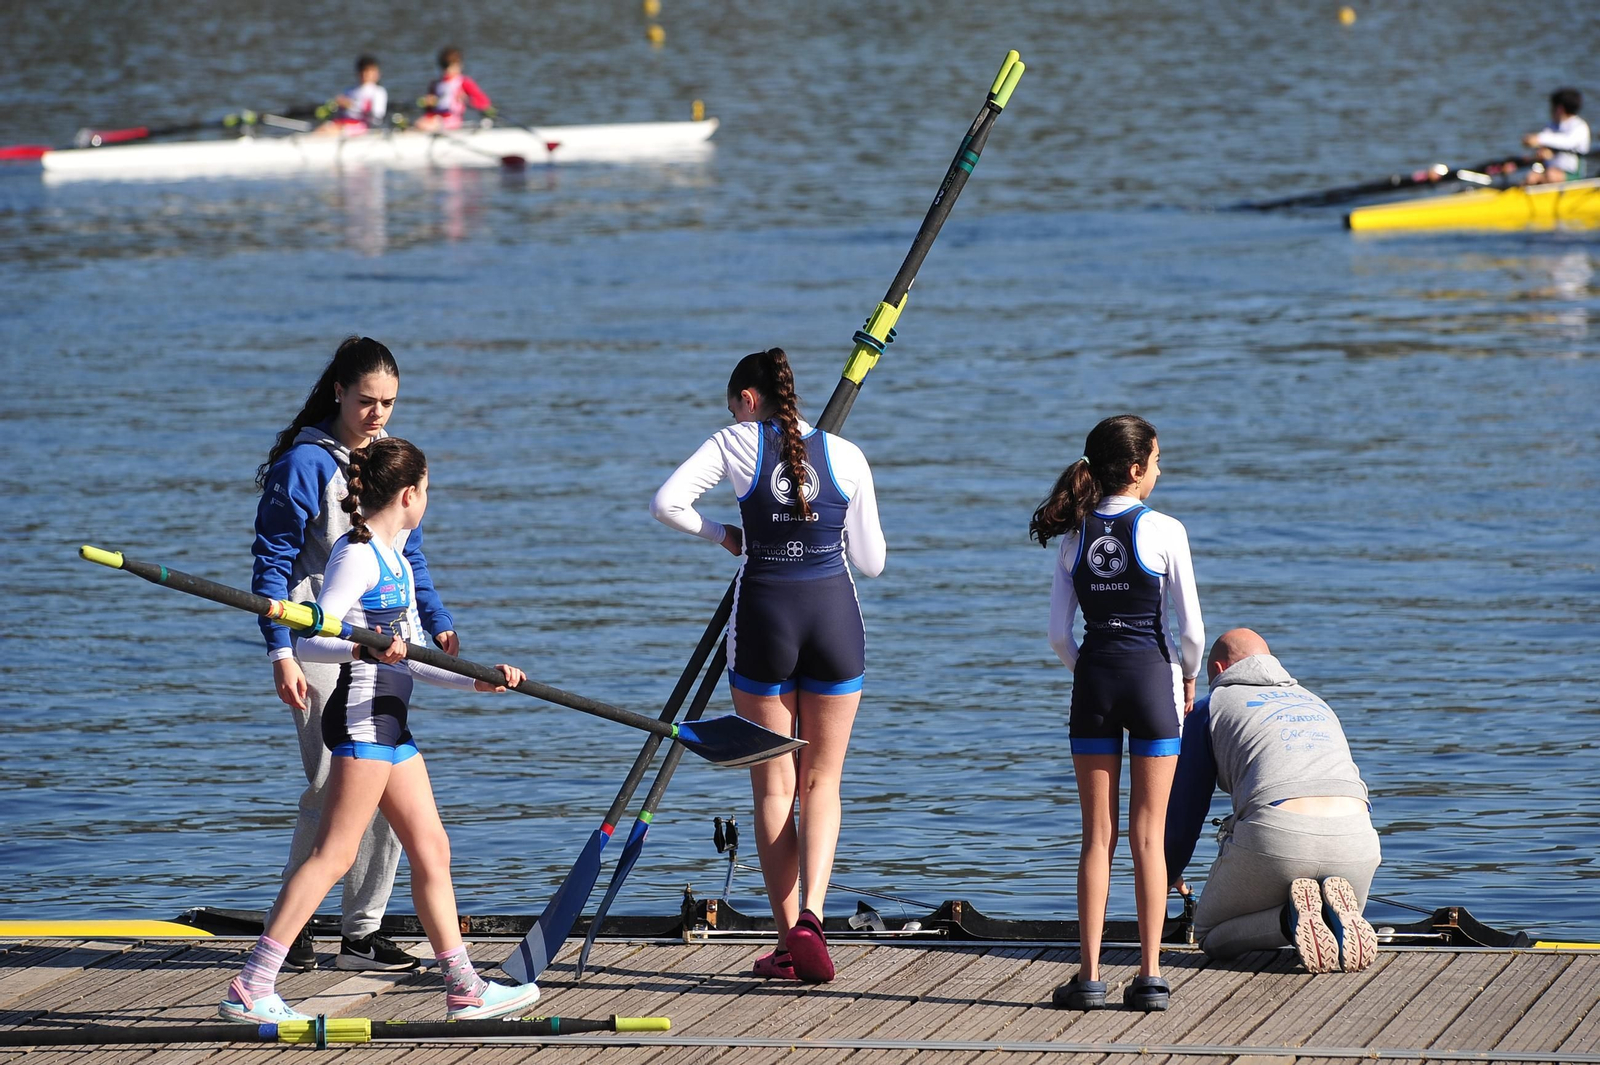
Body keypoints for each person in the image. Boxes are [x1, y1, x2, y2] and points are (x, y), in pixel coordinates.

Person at [222, 438, 539, 1024]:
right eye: (429, 489)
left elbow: (412, 658)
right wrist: (364, 648)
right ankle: (253, 983)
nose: (429, 500)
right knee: (334, 855)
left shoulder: (396, 559)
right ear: (410, 494)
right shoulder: (358, 555)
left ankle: (464, 988)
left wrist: (479, 682)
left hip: (393, 720)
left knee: (432, 848)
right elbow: (312, 640)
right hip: (363, 716)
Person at [651, 347, 886, 984]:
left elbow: (667, 503)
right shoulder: (848, 455)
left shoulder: (734, 441)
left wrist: (726, 535)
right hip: (835, 620)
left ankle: (787, 945)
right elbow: (871, 563)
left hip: (763, 621)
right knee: (823, 782)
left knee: (775, 788)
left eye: (734, 407)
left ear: (748, 400)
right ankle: (813, 920)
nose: (733, 417)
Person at [252, 337, 459, 973]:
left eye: (388, 403)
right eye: (366, 400)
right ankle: (292, 934)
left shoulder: (390, 461)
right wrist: (281, 653)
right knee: (331, 786)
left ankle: (361, 933)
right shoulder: (305, 464)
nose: (377, 414)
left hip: (384, 640)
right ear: (338, 391)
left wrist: (439, 623)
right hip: (317, 634)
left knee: (388, 790)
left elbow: (408, 554)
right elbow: (271, 564)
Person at [1035, 414, 1203, 1013]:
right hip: (1153, 683)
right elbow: (1192, 632)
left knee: (1096, 837)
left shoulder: (1073, 538)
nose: (1160, 470)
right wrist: (1186, 677)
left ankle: (1088, 977)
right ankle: (1151, 976)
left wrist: (1088, 671)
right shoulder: (1166, 530)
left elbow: (1059, 635)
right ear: (1135, 470)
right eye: (1156, 461)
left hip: (1096, 684)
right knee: (1148, 836)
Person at [1165, 629, 1381, 973]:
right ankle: (1329, 915)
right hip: (1357, 841)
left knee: (1209, 934)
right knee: (1320, 895)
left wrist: (1168, 873)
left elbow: (1185, 813)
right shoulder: (1316, 702)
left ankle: (1288, 919)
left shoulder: (1211, 706)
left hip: (1278, 836)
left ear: (1218, 669)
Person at [414, 46, 492, 132]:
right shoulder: (435, 84)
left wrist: (466, 99)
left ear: (459, 65)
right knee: (417, 124)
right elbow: (429, 111)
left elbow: (484, 102)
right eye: (445, 67)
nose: (447, 72)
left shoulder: (464, 82)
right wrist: (428, 104)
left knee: (423, 125)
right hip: (435, 119)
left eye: (452, 67)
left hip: (452, 120)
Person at [1522, 88, 1589, 185]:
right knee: (1531, 177)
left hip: (1573, 174)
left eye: (1552, 107)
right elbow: (1542, 151)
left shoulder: (1580, 126)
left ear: (1559, 109)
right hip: (1548, 170)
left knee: (1551, 175)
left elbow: (1568, 142)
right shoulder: (1551, 126)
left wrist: (1539, 138)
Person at [317, 55, 388, 136]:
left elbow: (377, 117)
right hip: (344, 122)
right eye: (363, 71)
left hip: (365, 126)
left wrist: (351, 106)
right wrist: (335, 106)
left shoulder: (378, 92)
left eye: (370, 71)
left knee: (327, 130)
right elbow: (341, 114)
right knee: (323, 128)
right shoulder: (349, 90)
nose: (365, 74)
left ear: (377, 73)